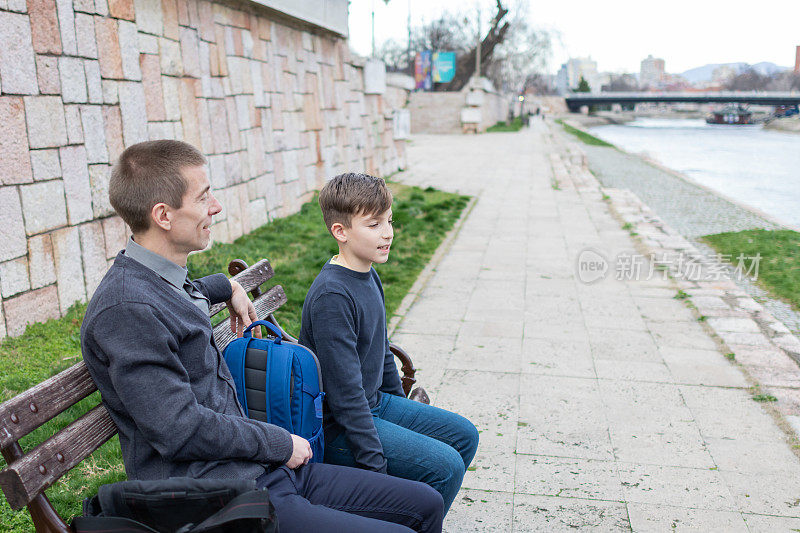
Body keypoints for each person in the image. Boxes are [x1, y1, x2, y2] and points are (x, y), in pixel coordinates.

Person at [80, 141, 444, 533]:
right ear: (164, 216)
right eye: (204, 198)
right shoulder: (126, 311)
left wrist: (227, 286)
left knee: (426, 503)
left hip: (259, 472)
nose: (216, 206)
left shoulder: (160, 281)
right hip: (220, 498)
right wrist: (279, 443)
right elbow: (179, 430)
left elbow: (180, 298)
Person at [298, 173, 479, 513]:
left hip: (377, 404)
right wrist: (376, 467)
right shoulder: (332, 296)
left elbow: (380, 353)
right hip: (341, 427)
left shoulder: (367, 273)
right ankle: (405, 515)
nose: (388, 232)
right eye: (374, 224)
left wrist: (401, 412)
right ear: (341, 232)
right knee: (446, 467)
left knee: (465, 436)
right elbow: (345, 398)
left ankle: (413, 516)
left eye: (389, 221)